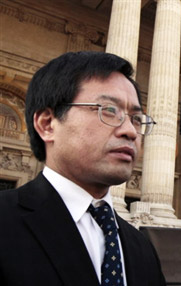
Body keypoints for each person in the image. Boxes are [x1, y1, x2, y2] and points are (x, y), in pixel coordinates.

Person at [0, 51, 166, 286]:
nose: (130, 131)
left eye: (136, 119)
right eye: (109, 110)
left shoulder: (141, 247)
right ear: (47, 124)